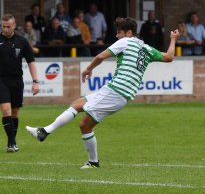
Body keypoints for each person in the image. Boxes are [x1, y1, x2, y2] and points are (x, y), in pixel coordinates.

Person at [26, 17, 179, 169]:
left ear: (129, 32)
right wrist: (173, 39)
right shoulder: (147, 48)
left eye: (119, 32)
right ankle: (93, 162)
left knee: (77, 106)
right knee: (85, 124)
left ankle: (44, 131)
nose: (117, 36)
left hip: (116, 90)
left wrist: (88, 69)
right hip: (121, 95)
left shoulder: (125, 41)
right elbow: (169, 56)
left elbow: (100, 56)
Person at [0, 13, 39, 153]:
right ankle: (13, 143)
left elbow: (31, 62)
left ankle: (10, 142)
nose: (6, 29)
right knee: (6, 110)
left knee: (14, 113)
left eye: (8, 26)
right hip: (0, 80)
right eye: (3, 27)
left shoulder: (22, 41)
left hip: (17, 81)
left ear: (14, 25)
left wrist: (35, 81)